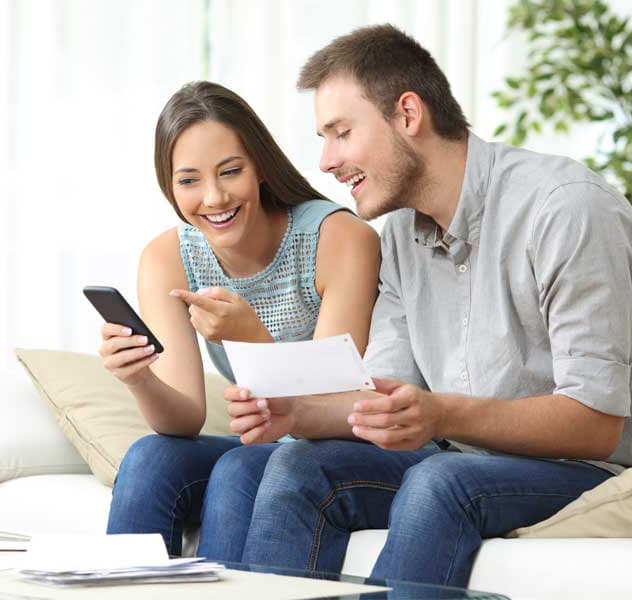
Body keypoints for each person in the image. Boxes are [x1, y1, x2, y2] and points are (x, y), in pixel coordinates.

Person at [215, 25, 632, 587]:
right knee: (295, 463)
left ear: (408, 114)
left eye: (341, 133)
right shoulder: (398, 241)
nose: (326, 161)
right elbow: (384, 395)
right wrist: (296, 415)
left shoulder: (566, 208)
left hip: (585, 469)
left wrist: (442, 414)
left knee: (442, 480)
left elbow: (598, 423)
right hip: (458, 455)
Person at [102, 81, 380, 559]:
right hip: (268, 443)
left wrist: (248, 335)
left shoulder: (339, 238)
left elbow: (336, 401)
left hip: (340, 444)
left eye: (230, 172)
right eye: (188, 181)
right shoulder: (169, 258)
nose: (213, 198)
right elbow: (185, 416)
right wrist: (139, 378)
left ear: (260, 169)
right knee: (150, 458)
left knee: (241, 467)